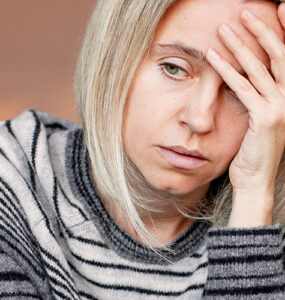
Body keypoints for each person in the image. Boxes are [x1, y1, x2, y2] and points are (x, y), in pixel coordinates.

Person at [1, 0, 285, 298]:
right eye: (174, 68)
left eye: (244, 87)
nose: (200, 119)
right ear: (111, 57)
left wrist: (254, 196)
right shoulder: (14, 178)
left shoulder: (266, 222)